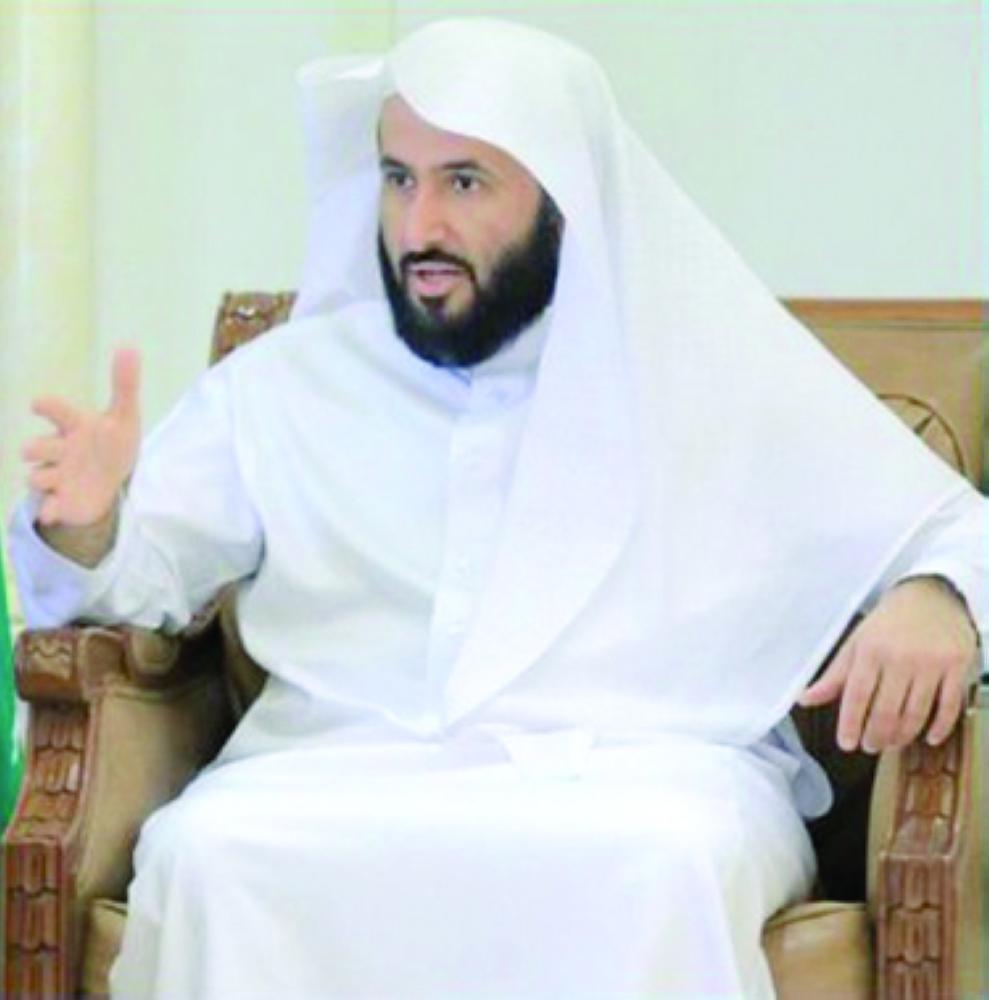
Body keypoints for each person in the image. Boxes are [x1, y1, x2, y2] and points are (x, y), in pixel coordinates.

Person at [9, 18, 986, 998]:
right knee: (210, 851)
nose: (418, 226)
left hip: (645, 770)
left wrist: (937, 598)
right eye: (398, 179)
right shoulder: (284, 382)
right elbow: (139, 579)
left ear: (561, 198)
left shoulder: (706, 374)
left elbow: (957, 529)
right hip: (330, 769)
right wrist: (87, 523)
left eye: (464, 183)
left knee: (657, 860)